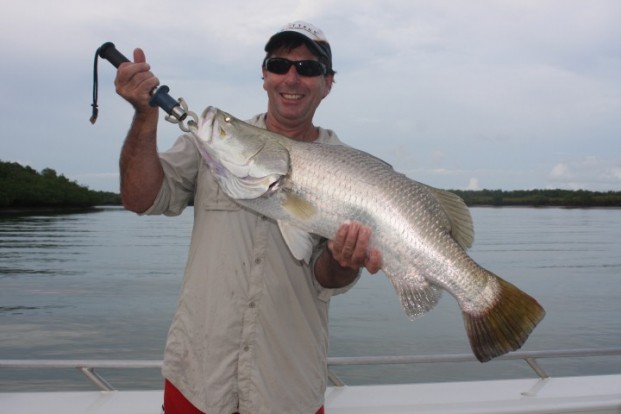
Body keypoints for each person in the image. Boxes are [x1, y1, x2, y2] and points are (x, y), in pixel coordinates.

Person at [114, 21, 382, 414]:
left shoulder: (350, 171)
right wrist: (144, 116)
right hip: (197, 381)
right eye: (278, 65)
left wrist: (344, 261)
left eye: (308, 68)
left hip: (287, 388)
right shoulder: (215, 143)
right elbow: (139, 198)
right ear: (264, 76)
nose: (291, 78)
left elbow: (328, 278)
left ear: (328, 82)